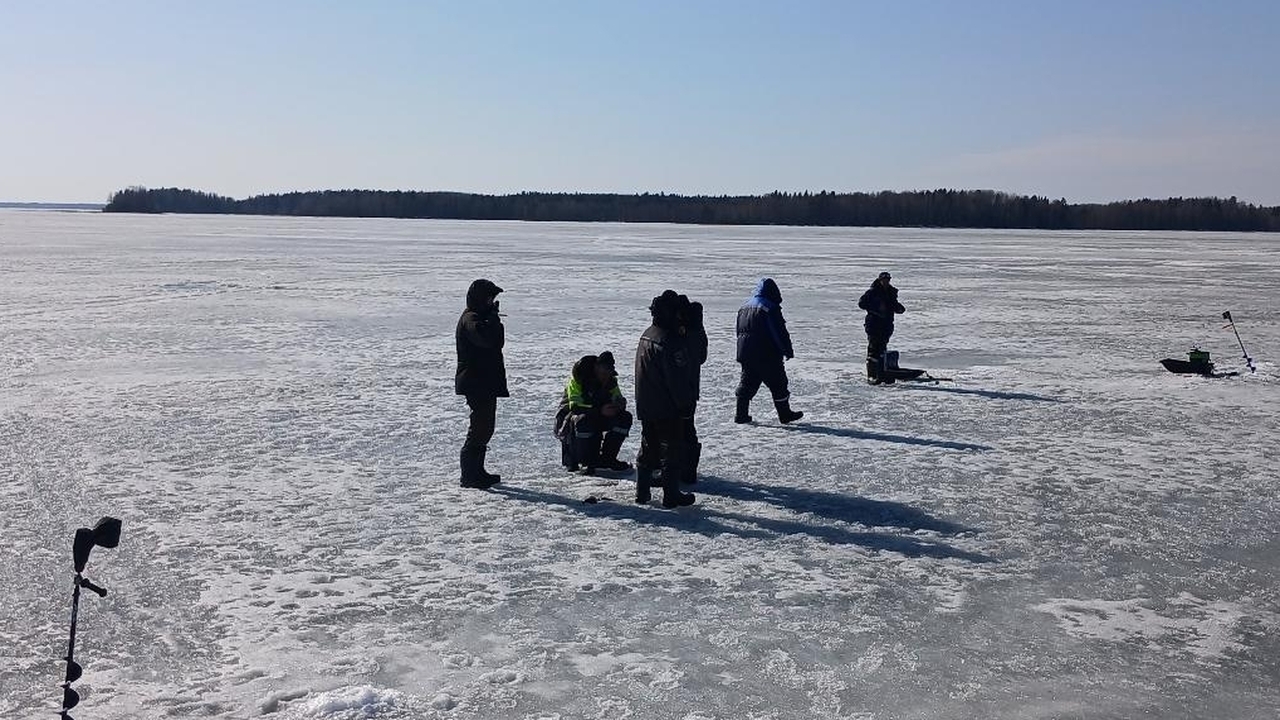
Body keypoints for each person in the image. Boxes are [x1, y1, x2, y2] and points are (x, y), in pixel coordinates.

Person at [633, 290, 698, 508]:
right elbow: (676, 378)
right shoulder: (670, 340)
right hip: (666, 405)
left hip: (646, 402)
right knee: (672, 449)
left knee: (648, 444)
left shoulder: (648, 334)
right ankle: (671, 494)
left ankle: (642, 491)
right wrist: (685, 404)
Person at [455, 278, 507, 489]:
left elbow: (497, 341)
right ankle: (469, 475)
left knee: (485, 427)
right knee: (480, 427)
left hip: (484, 381)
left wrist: (492, 319)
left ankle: (477, 471)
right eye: (489, 299)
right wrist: (492, 320)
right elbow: (486, 340)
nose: (491, 303)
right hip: (476, 381)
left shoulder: (480, 318)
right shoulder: (471, 319)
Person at [735, 278, 803, 424]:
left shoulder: (744, 307)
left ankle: (740, 414)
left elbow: (739, 331)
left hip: (746, 352)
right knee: (779, 383)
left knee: (747, 382)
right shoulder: (769, 307)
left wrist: (742, 350)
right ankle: (785, 414)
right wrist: (787, 350)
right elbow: (778, 331)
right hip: (766, 353)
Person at [554, 352, 633, 474]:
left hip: (598, 415)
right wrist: (600, 411)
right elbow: (575, 407)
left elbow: (618, 397)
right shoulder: (578, 378)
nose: (605, 377)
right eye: (603, 373)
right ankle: (585, 461)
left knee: (625, 418)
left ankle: (608, 459)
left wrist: (618, 406)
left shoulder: (611, 381)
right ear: (596, 368)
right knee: (584, 421)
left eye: (609, 373)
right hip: (570, 419)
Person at [677, 295, 708, 484]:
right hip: (690, 387)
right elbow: (702, 357)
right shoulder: (697, 330)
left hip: (679, 388)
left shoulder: (683, 332)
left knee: (680, 428)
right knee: (687, 427)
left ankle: (683, 470)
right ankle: (688, 470)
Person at [858, 271, 905, 384]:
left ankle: (882, 372)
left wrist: (898, 308)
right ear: (879, 280)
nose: (885, 282)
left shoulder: (891, 292)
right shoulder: (873, 292)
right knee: (873, 348)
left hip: (886, 325)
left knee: (882, 348)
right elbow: (861, 304)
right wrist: (876, 309)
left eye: (887, 280)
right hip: (874, 324)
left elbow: (892, 304)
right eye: (883, 280)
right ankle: (872, 375)